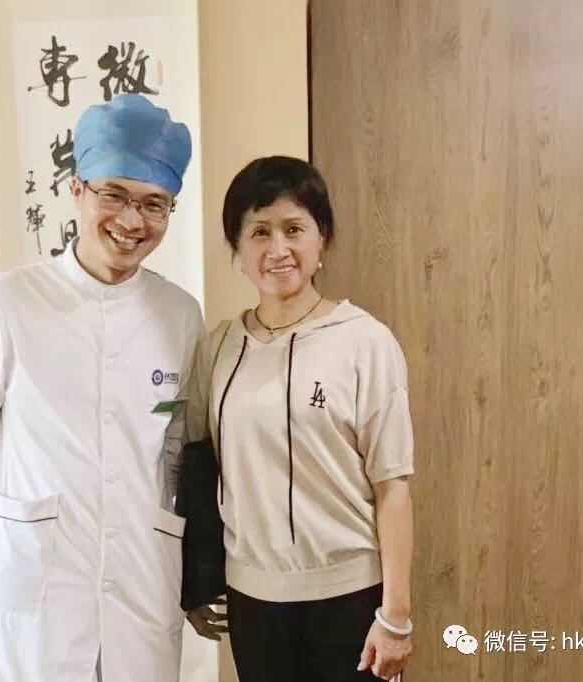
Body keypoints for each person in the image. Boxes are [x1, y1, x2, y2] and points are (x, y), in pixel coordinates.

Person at [0, 94, 203, 682]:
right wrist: (22, 520)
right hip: (33, 580)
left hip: (140, 577)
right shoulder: (7, 302)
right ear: (77, 189)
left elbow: (176, 444)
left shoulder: (180, 314)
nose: (132, 221)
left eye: (154, 204)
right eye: (115, 194)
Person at [186, 156, 415, 681]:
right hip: (252, 601)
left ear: (321, 240)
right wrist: (197, 580)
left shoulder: (364, 341)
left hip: (351, 598)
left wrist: (396, 616)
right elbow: (200, 467)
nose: (277, 249)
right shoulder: (218, 348)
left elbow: (393, 484)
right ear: (237, 249)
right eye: (258, 232)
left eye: (294, 229)